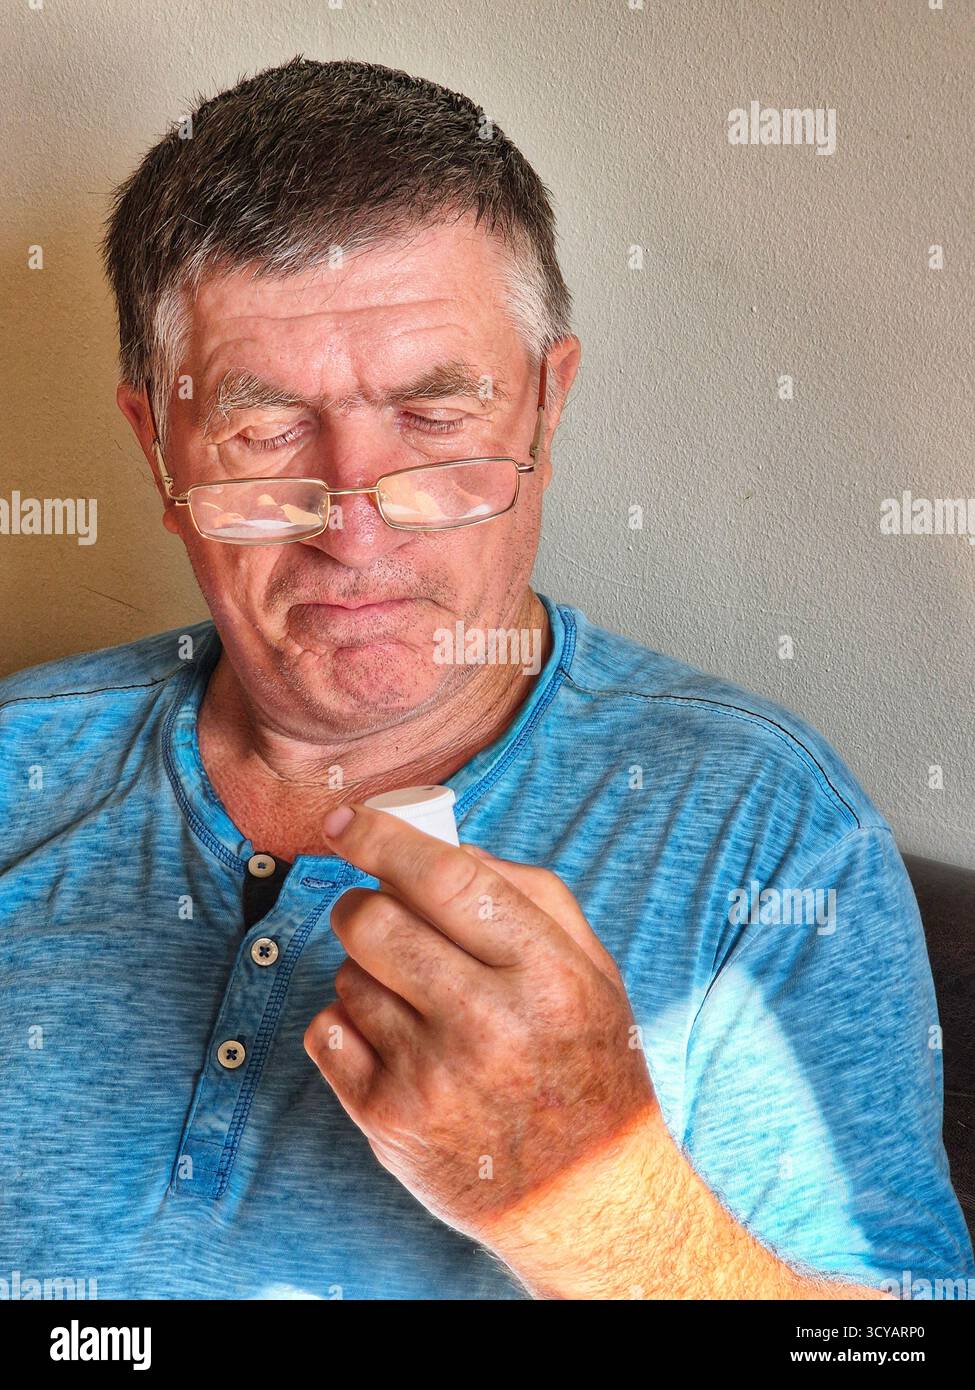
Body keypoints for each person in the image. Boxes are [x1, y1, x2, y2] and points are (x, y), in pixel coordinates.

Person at [1, 55, 971, 1302]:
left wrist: (595, 1197)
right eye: (264, 432)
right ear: (158, 450)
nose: (356, 528)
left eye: (435, 417)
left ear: (545, 412)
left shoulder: (765, 829)